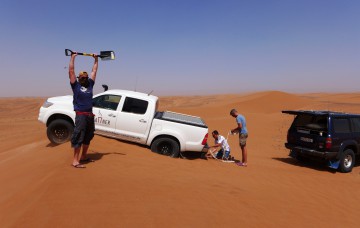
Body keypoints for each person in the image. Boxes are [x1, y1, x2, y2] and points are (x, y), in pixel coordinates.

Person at [68, 52, 98, 168]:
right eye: (82, 77)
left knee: (88, 136)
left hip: (90, 115)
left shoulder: (90, 84)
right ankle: (75, 161)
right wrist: (73, 57)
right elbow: (71, 71)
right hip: (81, 116)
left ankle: (84, 156)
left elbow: (94, 72)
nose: (85, 78)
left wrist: (96, 60)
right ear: (79, 78)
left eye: (86, 77)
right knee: (79, 136)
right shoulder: (75, 85)